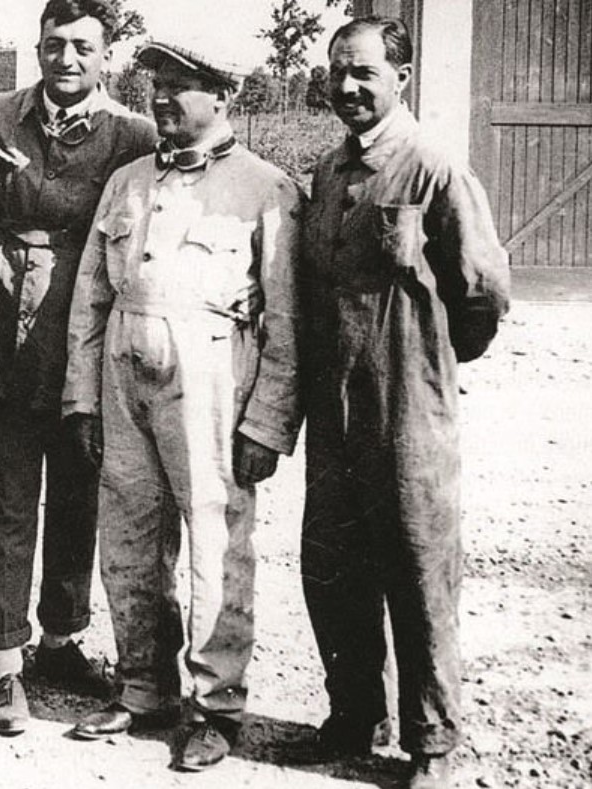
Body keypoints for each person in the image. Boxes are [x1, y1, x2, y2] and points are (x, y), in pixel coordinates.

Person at [62, 40, 305, 772]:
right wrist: (81, 397)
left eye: (180, 88)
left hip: (211, 382)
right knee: (128, 534)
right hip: (123, 373)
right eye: (156, 87)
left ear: (222, 97)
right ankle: (142, 685)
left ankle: (215, 703)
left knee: (213, 541)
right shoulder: (128, 181)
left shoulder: (267, 189)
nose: (161, 100)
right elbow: (90, 297)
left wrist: (267, 420)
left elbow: (288, 324)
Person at [301, 17, 510, 789]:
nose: (348, 87)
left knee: (419, 572)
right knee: (331, 564)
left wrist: (425, 364)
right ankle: (354, 713)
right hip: (336, 412)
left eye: (364, 73)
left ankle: (432, 740)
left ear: (402, 78)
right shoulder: (327, 172)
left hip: (409, 411)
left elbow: (482, 293)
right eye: (337, 73)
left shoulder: (432, 169)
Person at [0, 0, 157, 735]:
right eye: (55, 45)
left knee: (79, 497)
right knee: (7, 501)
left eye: (83, 47)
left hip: (89, 350)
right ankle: (7, 662)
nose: (67, 59)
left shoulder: (136, 136)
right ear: (38, 47)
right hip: (6, 344)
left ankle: (61, 639)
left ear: (106, 54)